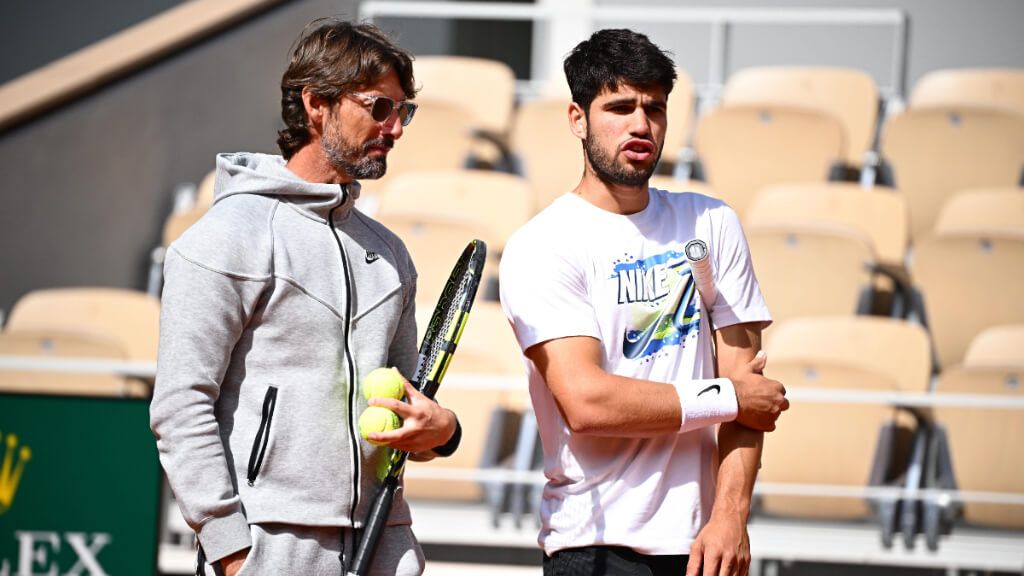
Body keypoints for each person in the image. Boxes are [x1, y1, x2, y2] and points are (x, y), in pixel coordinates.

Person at [150, 19, 462, 576]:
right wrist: (231, 550)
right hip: (268, 546)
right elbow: (180, 407)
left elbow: (406, 411)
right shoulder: (226, 238)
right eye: (379, 107)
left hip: (382, 541)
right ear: (316, 103)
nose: (394, 128)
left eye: (403, 111)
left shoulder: (391, 255)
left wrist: (443, 432)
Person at [499, 29, 790, 576]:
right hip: (594, 544)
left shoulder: (711, 222)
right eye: (620, 106)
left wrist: (730, 516)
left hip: (706, 544)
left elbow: (748, 397)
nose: (640, 125)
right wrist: (725, 396)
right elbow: (587, 404)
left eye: (654, 108)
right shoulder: (543, 244)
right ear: (577, 118)